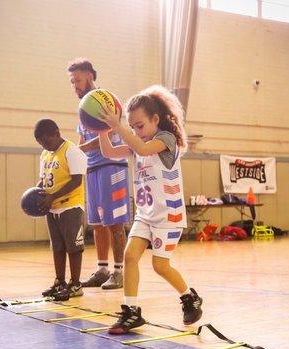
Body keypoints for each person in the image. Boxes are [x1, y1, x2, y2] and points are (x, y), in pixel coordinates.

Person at [97, 85, 203, 334]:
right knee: (130, 256)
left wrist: (119, 126)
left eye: (140, 125)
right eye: (132, 127)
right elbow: (109, 151)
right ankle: (131, 311)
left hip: (169, 216)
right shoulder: (137, 142)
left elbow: (143, 149)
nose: (136, 131)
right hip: (145, 215)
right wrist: (102, 129)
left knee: (160, 266)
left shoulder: (165, 140)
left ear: (156, 119)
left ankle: (189, 297)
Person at [67, 58, 130, 290]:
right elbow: (81, 140)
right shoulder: (83, 108)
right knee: (97, 224)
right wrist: (73, 157)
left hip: (112, 165)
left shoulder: (105, 101)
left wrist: (78, 149)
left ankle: (119, 271)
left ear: (91, 77)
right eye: (72, 82)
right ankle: (103, 269)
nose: (75, 86)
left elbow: (110, 131)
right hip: (92, 168)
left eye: (79, 81)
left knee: (115, 222)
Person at [34, 119, 88, 301]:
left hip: (71, 206)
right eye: (41, 143)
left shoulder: (72, 151)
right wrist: (37, 190)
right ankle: (60, 281)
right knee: (57, 247)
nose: (45, 146)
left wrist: (52, 196)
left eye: (47, 141)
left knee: (73, 247)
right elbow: (44, 179)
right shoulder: (45, 154)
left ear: (56, 133)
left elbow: (76, 181)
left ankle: (75, 284)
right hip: (53, 207)